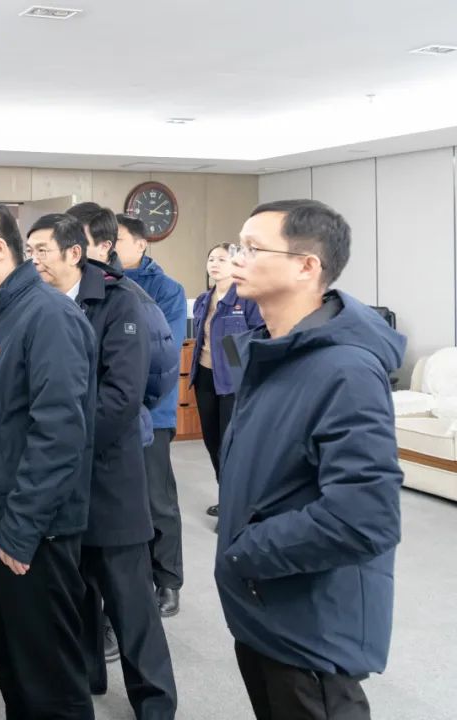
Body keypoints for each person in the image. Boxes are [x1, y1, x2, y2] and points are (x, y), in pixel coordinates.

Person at [217, 200, 403, 720]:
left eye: (253, 248)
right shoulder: (271, 350)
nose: (237, 259)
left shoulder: (346, 370)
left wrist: (244, 552)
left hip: (310, 627)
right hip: (264, 607)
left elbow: (364, 518)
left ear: (306, 266)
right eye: (238, 246)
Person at [0, 201, 96, 720]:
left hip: (29, 530)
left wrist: (21, 527)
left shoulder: (48, 316)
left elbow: (59, 435)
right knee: (14, 668)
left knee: (49, 678)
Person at [26, 214, 177, 719]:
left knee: (129, 600)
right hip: (58, 478)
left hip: (107, 473)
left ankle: (155, 703)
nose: (34, 260)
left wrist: (60, 443)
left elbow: (122, 396)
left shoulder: (119, 300)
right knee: (77, 592)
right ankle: (89, 677)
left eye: (42, 250)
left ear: (75, 253)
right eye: (29, 250)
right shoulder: (36, 302)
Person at [67, 202, 179, 662]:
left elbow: (160, 368)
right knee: (96, 540)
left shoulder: (132, 295)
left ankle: (161, 585)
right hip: (93, 428)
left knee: (146, 513)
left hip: (131, 424)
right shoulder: (67, 291)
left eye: (78, 242)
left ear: (102, 246)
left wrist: (133, 411)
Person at [116, 213, 187, 617]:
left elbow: (164, 350)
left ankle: (168, 579)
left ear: (141, 244)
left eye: (118, 240)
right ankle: (134, 577)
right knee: (123, 501)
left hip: (151, 410)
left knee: (157, 500)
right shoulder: (102, 282)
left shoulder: (167, 289)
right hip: (113, 408)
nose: (109, 246)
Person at [189, 243, 263, 519]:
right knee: (213, 443)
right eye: (211, 259)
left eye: (222, 259)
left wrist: (239, 367)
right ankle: (227, 498)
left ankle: (235, 508)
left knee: (231, 446)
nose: (215, 264)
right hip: (204, 377)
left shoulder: (247, 298)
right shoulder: (203, 300)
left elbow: (258, 337)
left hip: (233, 382)